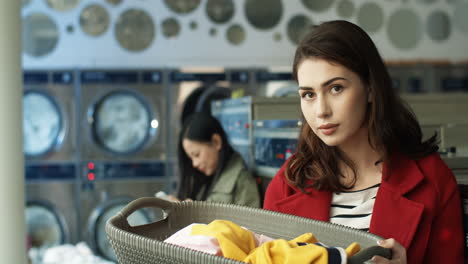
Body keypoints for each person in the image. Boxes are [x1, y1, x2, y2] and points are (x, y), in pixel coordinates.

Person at [263, 20, 464, 264]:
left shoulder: (433, 180)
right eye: (308, 94)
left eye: (336, 88)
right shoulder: (287, 184)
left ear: (370, 88)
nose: (321, 110)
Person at [175, 112, 260, 208]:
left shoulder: (243, 181)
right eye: (191, 159)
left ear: (216, 142)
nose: (195, 163)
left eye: (197, 155)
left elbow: (250, 222)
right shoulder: (203, 180)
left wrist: (197, 213)